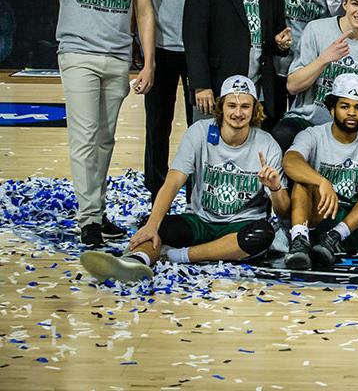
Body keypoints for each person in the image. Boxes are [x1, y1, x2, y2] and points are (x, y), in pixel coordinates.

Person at [21, 0, 156, 247]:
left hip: (117, 56)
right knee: (84, 136)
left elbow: (144, 10)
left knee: (104, 139)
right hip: (78, 52)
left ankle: (96, 211)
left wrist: (148, 62)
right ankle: (89, 220)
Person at [79, 76, 290, 281]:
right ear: (221, 107)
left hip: (240, 226)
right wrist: (152, 225)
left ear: (254, 110)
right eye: (231, 105)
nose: (238, 113)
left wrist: (275, 188)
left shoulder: (267, 144)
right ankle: (135, 261)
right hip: (201, 221)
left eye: (245, 106)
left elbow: (282, 211)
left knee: (263, 235)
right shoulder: (199, 132)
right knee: (153, 224)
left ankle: (176, 255)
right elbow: (173, 181)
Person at [138, 0, 230, 203]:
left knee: (201, 127)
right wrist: (140, 42)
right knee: (157, 126)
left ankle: (198, 195)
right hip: (161, 44)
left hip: (200, 49)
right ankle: (155, 194)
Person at [282, 74, 358, 268]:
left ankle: (335, 236)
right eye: (345, 106)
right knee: (303, 180)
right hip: (322, 216)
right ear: (331, 109)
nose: (352, 113)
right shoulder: (313, 135)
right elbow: (290, 161)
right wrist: (321, 181)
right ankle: (300, 242)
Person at [271, 0, 358, 152]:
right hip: (307, 120)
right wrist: (324, 59)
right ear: (345, 3)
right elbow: (292, 86)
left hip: (351, 127)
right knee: (283, 134)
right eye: (355, 3)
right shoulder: (316, 29)